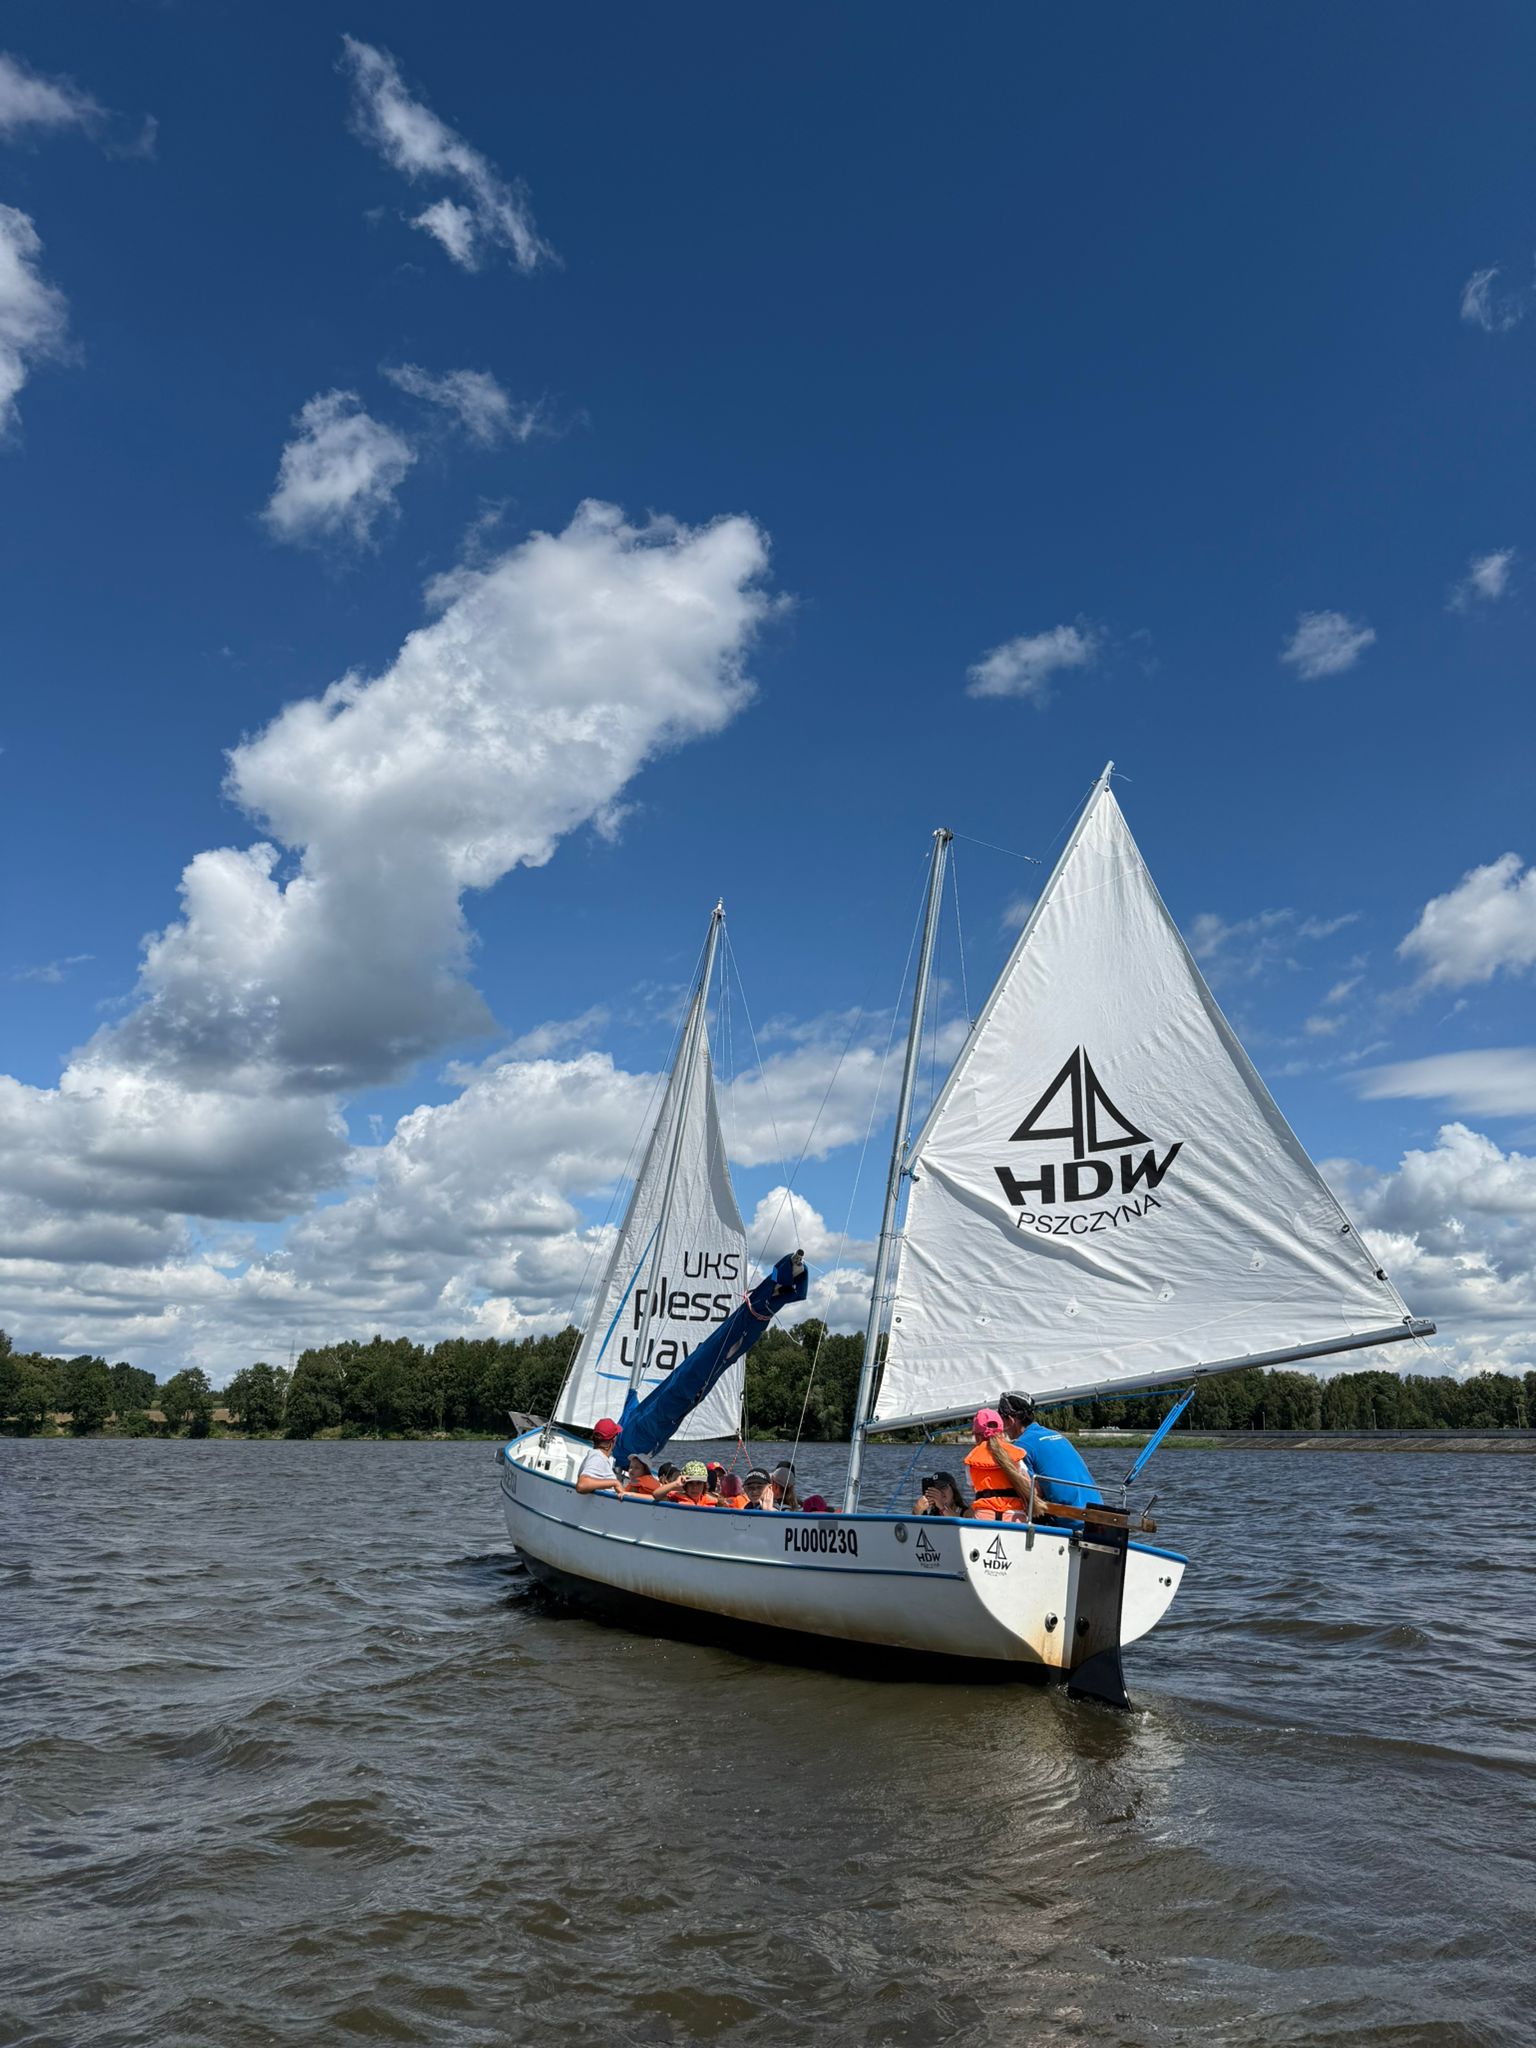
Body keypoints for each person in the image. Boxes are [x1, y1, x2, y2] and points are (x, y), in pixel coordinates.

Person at [997, 1391, 1102, 1515]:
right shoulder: (1055, 1435)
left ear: (1010, 1420)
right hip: (1098, 1512)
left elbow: (1032, 1492)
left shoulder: (1021, 1446)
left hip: (1072, 1518)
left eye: (1001, 1419)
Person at [963, 1409, 1032, 1520]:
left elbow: (975, 1490)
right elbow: (1028, 1486)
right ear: (1001, 1431)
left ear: (977, 1436)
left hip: (984, 1518)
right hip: (1014, 1518)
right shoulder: (1015, 1456)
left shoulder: (971, 1461)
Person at [575, 1417, 626, 1497]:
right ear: (613, 1440)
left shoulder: (595, 1455)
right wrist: (614, 1483)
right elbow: (582, 1485)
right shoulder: (598, 1457)